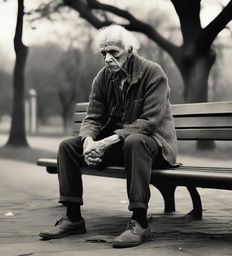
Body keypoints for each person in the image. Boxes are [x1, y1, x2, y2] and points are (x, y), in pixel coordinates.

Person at [39, 24, 178, 248]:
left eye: (114, 52)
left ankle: (140, 222)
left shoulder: (153, 73)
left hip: (154, 147)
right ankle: (73, 218)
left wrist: (108, 141)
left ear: (130, 50)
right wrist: (88, 142)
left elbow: (149, 122)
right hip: (122, 146)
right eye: (103, 53)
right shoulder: (103, 78)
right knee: (68, 146)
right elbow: (93, 117)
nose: (107, 59)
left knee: (134, 141)